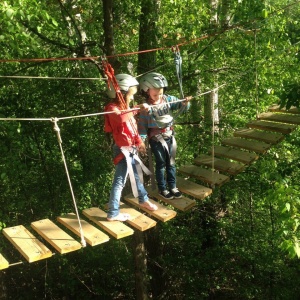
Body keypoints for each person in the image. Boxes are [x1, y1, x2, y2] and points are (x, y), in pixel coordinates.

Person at [104, 74, 158, 222]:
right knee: (119, 182)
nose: (132, 97)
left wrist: (139, 141)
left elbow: (131, 127)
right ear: (121, 93)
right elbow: (121, 118)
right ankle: (113, 212)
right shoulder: (112, 108)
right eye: (130, 94)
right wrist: (137, 109)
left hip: (131, 148)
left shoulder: (126, 108)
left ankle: (143, 199)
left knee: (135, 177)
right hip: (122, 150)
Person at [138, 72, 192, 200]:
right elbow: (142, 127)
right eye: (155, 94)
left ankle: (172, 186)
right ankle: (163, 188)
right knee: (161, 163)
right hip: (156, 139)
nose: (158, 96)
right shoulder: (146, 108)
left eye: (160, 93)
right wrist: (142, 141)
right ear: (147, 91)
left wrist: (185, 103)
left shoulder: (168, 100)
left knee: (171, 162)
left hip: (169, 135)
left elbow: (181, 106)